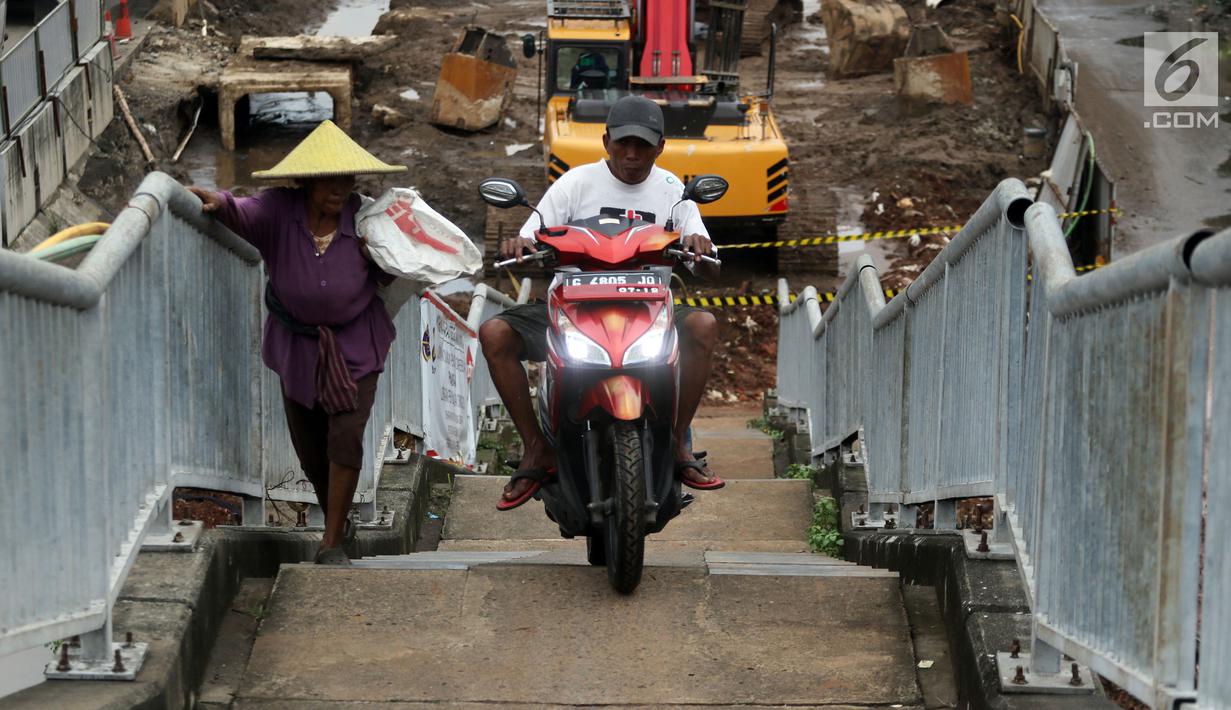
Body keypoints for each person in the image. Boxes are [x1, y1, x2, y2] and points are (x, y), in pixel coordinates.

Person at [479, 94, 724, 512]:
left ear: (660, 146)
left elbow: (708, 266)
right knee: (494, 332)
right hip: (573, 308)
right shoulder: (575, 183)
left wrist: (700, 248)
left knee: (703, 325)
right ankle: (536, 447)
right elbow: (531, 235)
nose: (632, 154)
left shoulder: (674, 193)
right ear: (607, 141)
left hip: (649, 310)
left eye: (643, 145)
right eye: (623, 143)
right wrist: (520, 244)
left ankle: (678, 442)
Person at [187, 120, 407, 565]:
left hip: (356, 346)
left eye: (348, 178)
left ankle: (332, 543)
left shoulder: (366, 220)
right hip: (298, 349)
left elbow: (399, 265)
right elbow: (240, 211)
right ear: (307, 180)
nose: (341, 188)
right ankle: (338, 518)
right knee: (310, 449)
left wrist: (379, 257)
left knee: (345, 437)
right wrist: (214, 200)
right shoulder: (278, 211)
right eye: (330, 178)